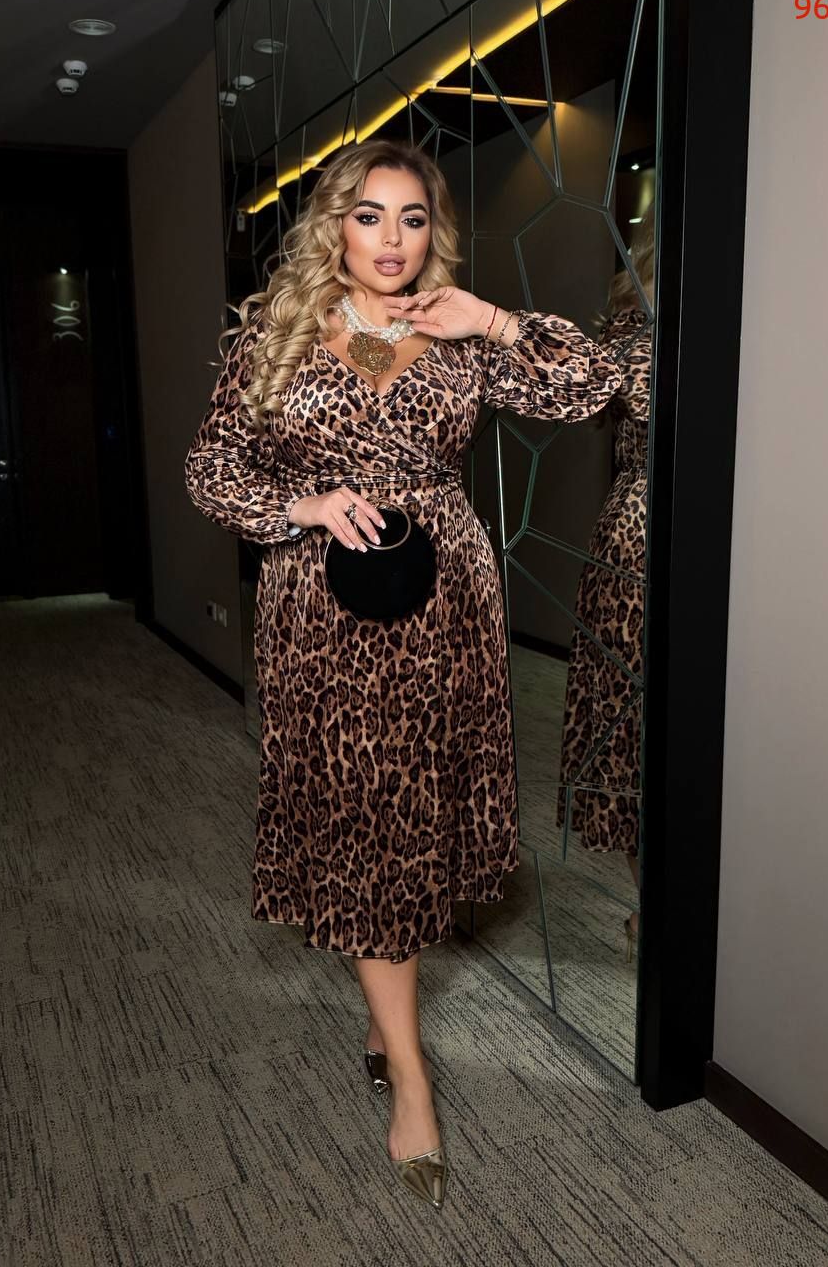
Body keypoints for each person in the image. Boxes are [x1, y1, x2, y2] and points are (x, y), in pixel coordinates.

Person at [184, 139, 620, 1210]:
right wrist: (301, 503)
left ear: (435, 231)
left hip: (443, 609)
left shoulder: (458, 333)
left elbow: (598, 383)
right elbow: (211, 467)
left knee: (412, 815)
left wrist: (496, 321)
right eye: (368, 215)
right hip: (321, 610)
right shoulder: (276, 332)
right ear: (334, 224)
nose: (391, 240)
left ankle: (388, 1031)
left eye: (412, 218)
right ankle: (412, 1074)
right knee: (359, 815)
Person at [556, 203, 654, 964]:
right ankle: (655, 907)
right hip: (639, 542)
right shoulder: (629, 341)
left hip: (688, 536)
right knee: (628, 730)